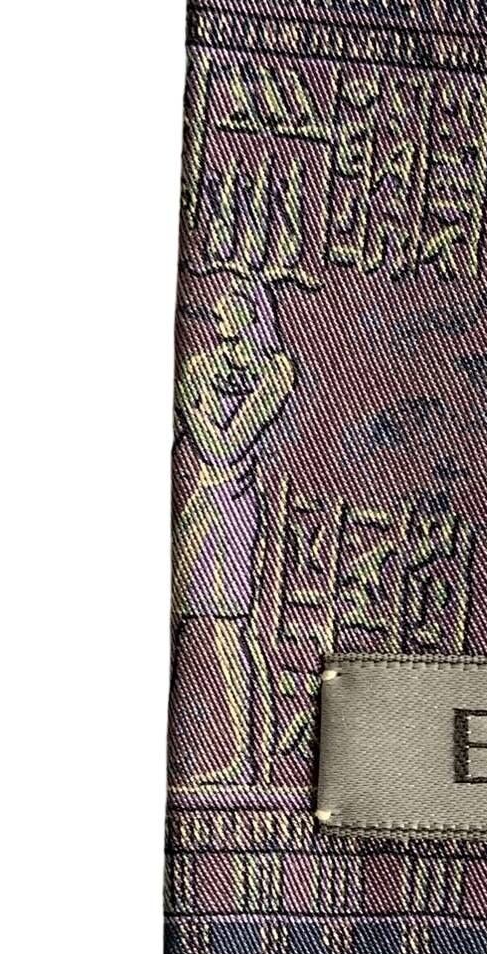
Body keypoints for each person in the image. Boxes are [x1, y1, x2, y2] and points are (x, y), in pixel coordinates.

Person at [171, 277, 295, 782]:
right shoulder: (200, 365)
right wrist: (199, 405)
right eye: (221, 308)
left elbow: (224, 447)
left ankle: (249, 755)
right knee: (187, 622)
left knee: (231, 633)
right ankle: (232, 754)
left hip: (235, 509)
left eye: (237, 306)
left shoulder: (276, 367)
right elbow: (209, 440)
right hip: (201, 505)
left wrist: (198, 408)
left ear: (255, 313)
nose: (225, 316)